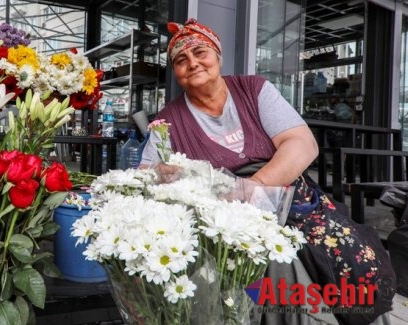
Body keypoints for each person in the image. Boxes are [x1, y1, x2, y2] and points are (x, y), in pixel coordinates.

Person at [140, 18, 395, 325]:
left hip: (288, 198)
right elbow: (146, 175)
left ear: (218, 56)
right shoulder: (167, 121)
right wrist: (165, 174)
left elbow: (301, 144)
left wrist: (253, 187)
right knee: (279, 272)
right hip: (228, 221)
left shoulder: (253, 90)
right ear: (176, 73)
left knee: (348, 261)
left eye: (200, 52)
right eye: (181, 59)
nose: (193, 63)